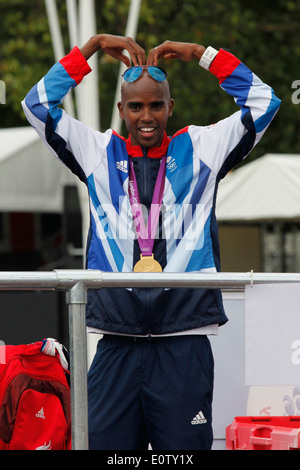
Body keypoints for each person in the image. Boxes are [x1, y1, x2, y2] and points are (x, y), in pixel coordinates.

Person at [22, 34, 280, 450]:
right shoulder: (97, 151)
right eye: (136, 106)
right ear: (121, 109)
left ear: (170, 108)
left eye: (156, 105)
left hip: (184, 339)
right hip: (116, 341)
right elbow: (36, 106)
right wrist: (87, 49)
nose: (147, 116)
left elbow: (263, 102)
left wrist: (201, 55)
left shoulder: (202, 148)